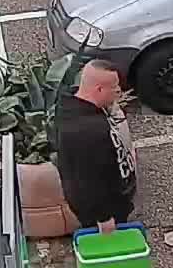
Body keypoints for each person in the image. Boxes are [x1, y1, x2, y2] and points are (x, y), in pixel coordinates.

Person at [56, 60, 137, 235]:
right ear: (99, 90)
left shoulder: (76, 106)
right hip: (105, 214)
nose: (118, 92)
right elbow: (86, 182)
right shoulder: (89, 131)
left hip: (111, 205)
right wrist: (104, 218)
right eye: (114, 88)